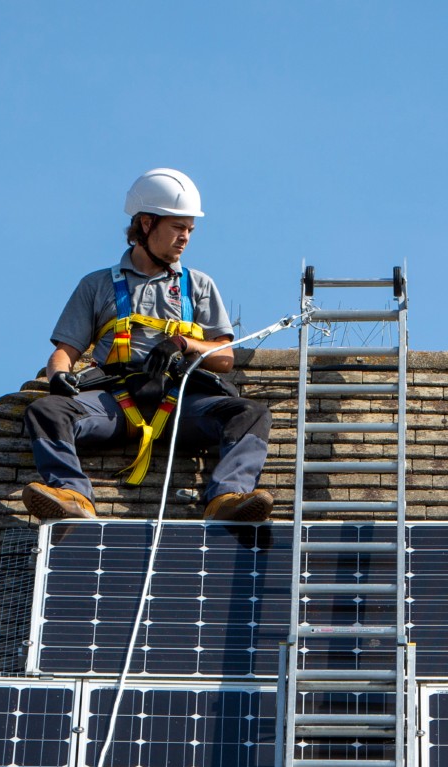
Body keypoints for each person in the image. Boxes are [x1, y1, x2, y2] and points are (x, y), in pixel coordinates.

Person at [19, 168, 275, 523]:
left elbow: (225, 357)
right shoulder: (96, 286)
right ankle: (73, 496)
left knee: (251, 413)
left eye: (189, 229)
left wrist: (183, 344)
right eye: (177, 228)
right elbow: (64, 352)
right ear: (144, 224)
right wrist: (59, 375)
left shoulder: (197, 285)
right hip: (116, 401)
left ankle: (227, 499)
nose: (185, 238)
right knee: (46, 411)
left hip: (181, 401)